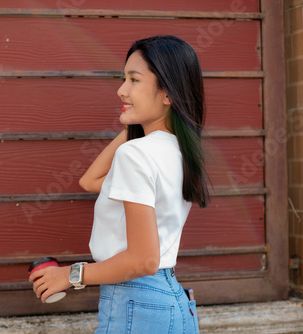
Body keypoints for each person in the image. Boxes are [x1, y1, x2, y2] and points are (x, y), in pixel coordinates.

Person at [29, 35, 209, 334]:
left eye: (134, 80)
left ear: (168, 93)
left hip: (136, 303)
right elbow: (90, 181)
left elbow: (144, 259)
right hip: (172, 303)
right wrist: (134, 125)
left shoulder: (136, 154)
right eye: (123, 79)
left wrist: (71, 276)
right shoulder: (178, 151)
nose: (121, 90)